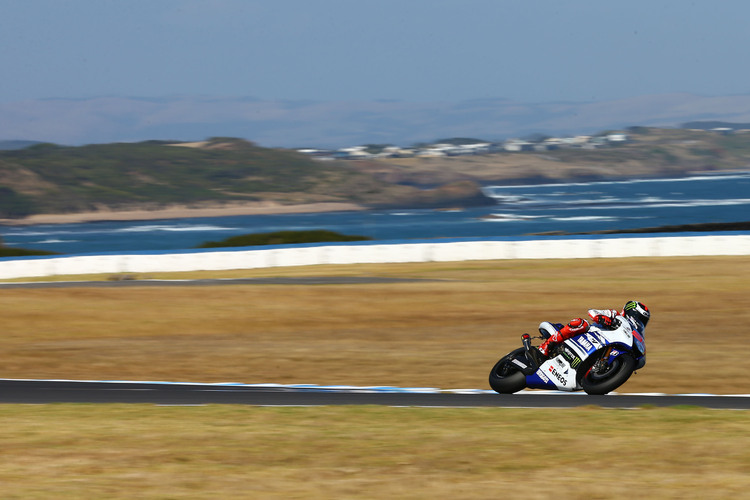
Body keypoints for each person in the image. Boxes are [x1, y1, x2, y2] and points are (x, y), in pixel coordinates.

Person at [532, 300, 650, 362]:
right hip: (587, 335)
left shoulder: (629, 334)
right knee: (581, 323)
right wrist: (601, 318)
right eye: (637, 316)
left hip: (598, 346)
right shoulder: (614, 314)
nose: (638, 321)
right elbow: (592, 311)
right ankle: (547, 346)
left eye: (642, 320)